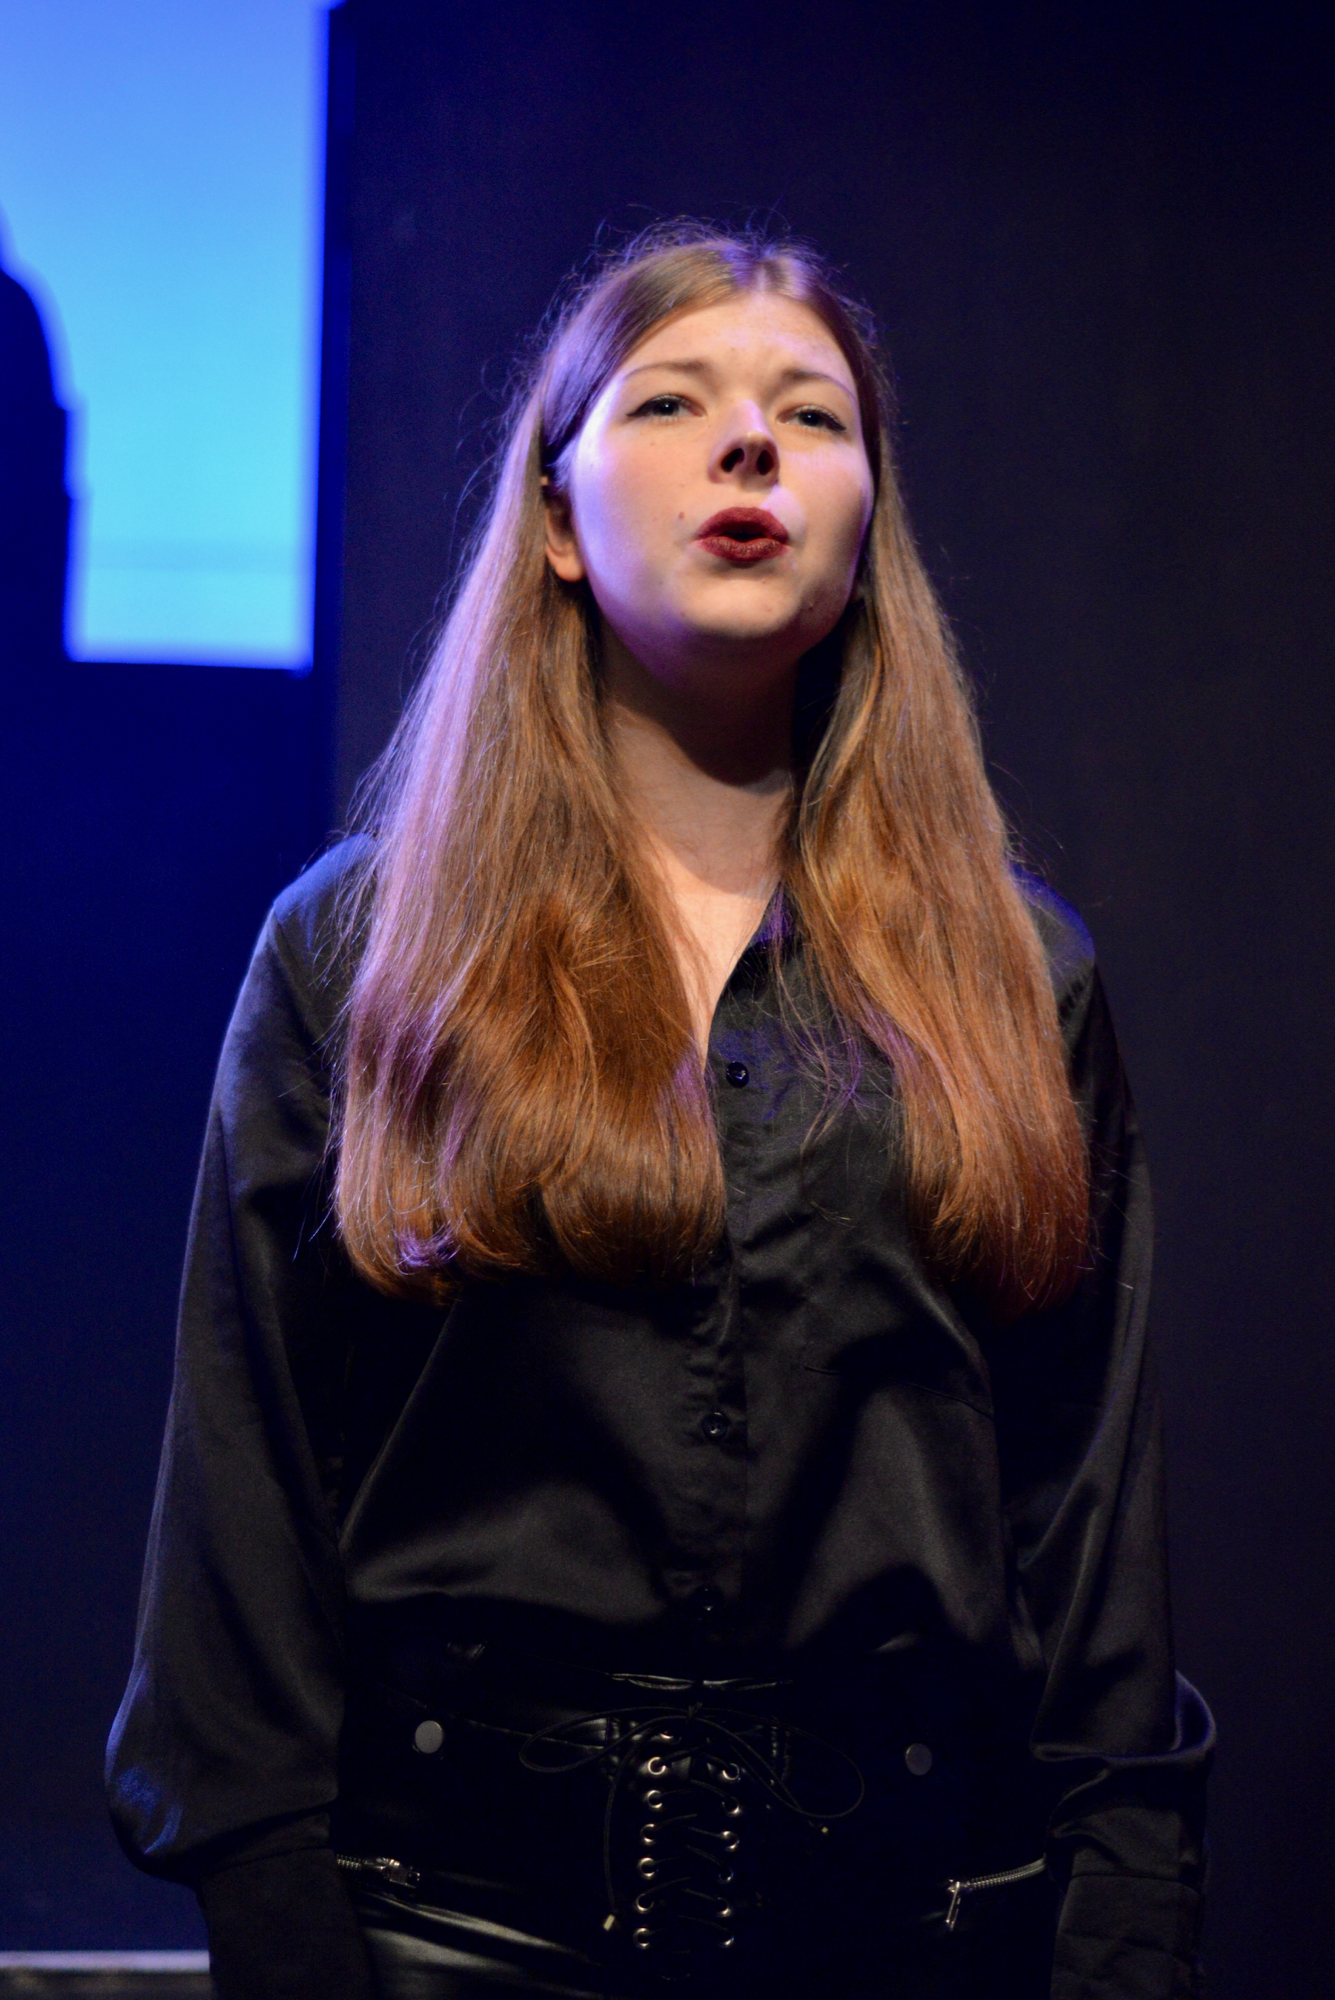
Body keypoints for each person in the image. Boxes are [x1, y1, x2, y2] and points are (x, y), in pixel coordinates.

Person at [107, 225, 1211, 2000]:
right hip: (448, 1938)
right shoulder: (361, 956)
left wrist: (1126, 1931)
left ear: (867, 526)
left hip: (914, 1941)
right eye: (673, 402)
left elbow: (1090, 1528)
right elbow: (242, 1507)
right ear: (555, 520)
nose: (752, 443)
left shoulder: (1023, 978)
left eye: (813, 415)